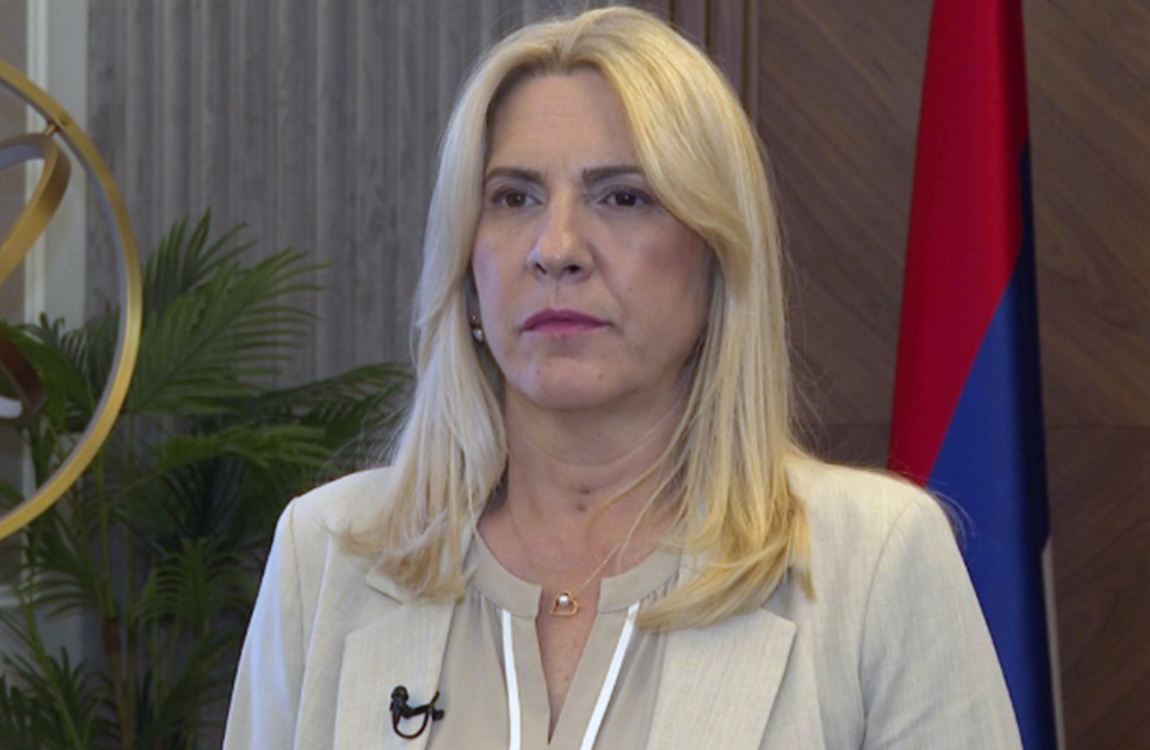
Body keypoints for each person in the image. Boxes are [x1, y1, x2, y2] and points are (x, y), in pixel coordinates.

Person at [223, 7, 1022, 749]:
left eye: (623, 197)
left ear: (717, 259)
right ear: (465, 269)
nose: (556, 248)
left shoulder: (874, 561)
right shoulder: (327, 555)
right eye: (514, 197)